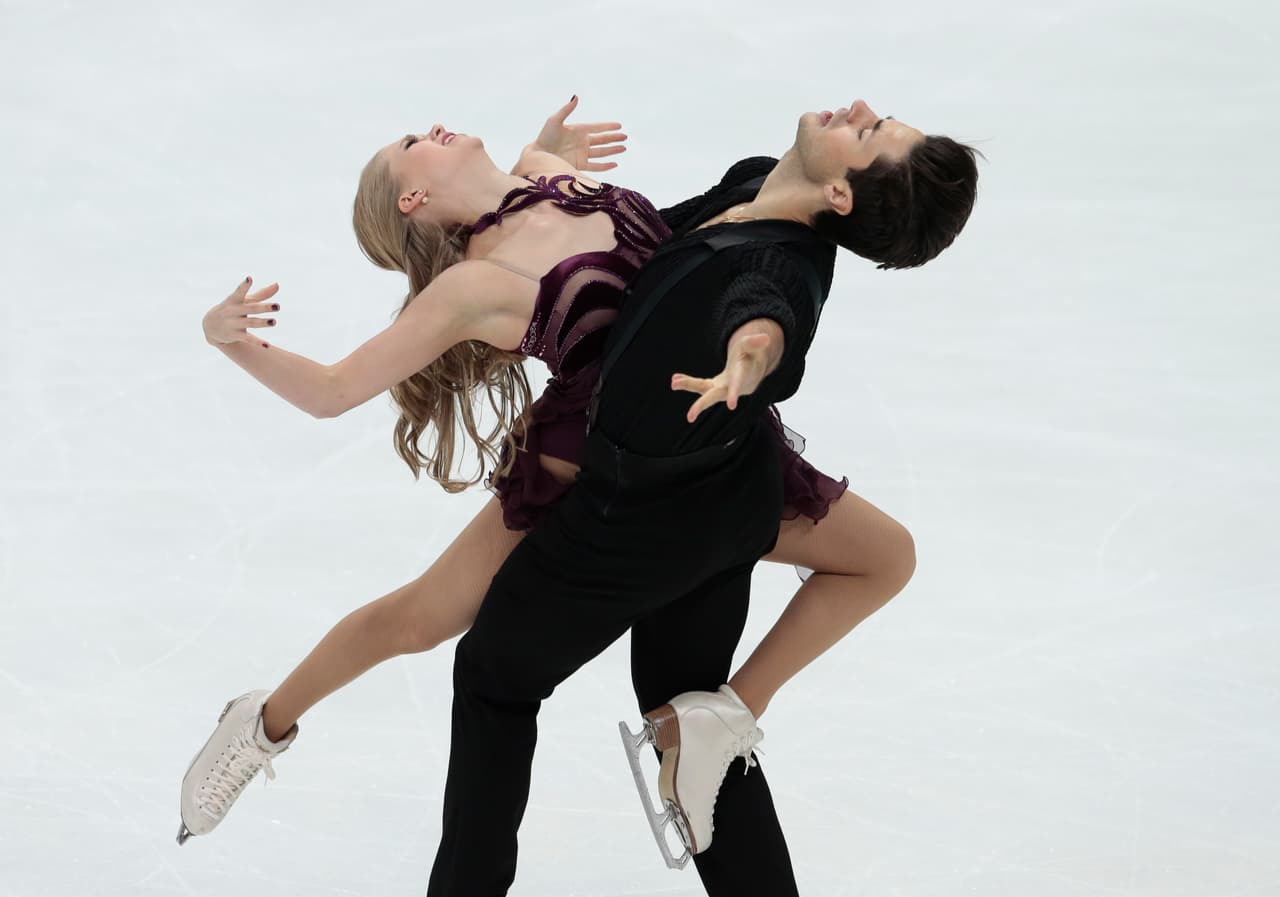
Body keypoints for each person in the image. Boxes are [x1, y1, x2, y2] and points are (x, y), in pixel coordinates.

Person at [176, 97, 967, 865]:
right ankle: (260, 723)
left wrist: (546, 146)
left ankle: (720, 723)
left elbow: (731, 269)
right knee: (419, 617)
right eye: (413, 141)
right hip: (584, 464)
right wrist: (231, 343)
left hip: (701, 443)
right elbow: (333, 390)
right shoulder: (470, 288)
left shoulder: (544, 171)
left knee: (880, 556)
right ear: (415, 196)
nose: (433, 126)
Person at [421, 99, 979, 896]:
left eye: (867, 132)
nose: (857, 109)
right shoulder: (756, 180)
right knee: (687, 712)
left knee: (492, 675)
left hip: (644, 514)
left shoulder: (784, 265)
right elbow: (636, 250)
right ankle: (720, 727)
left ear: (842, 198)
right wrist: (534, 180)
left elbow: (764, 314)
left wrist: (749, 358)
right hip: (720, 486)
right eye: (878, 116)